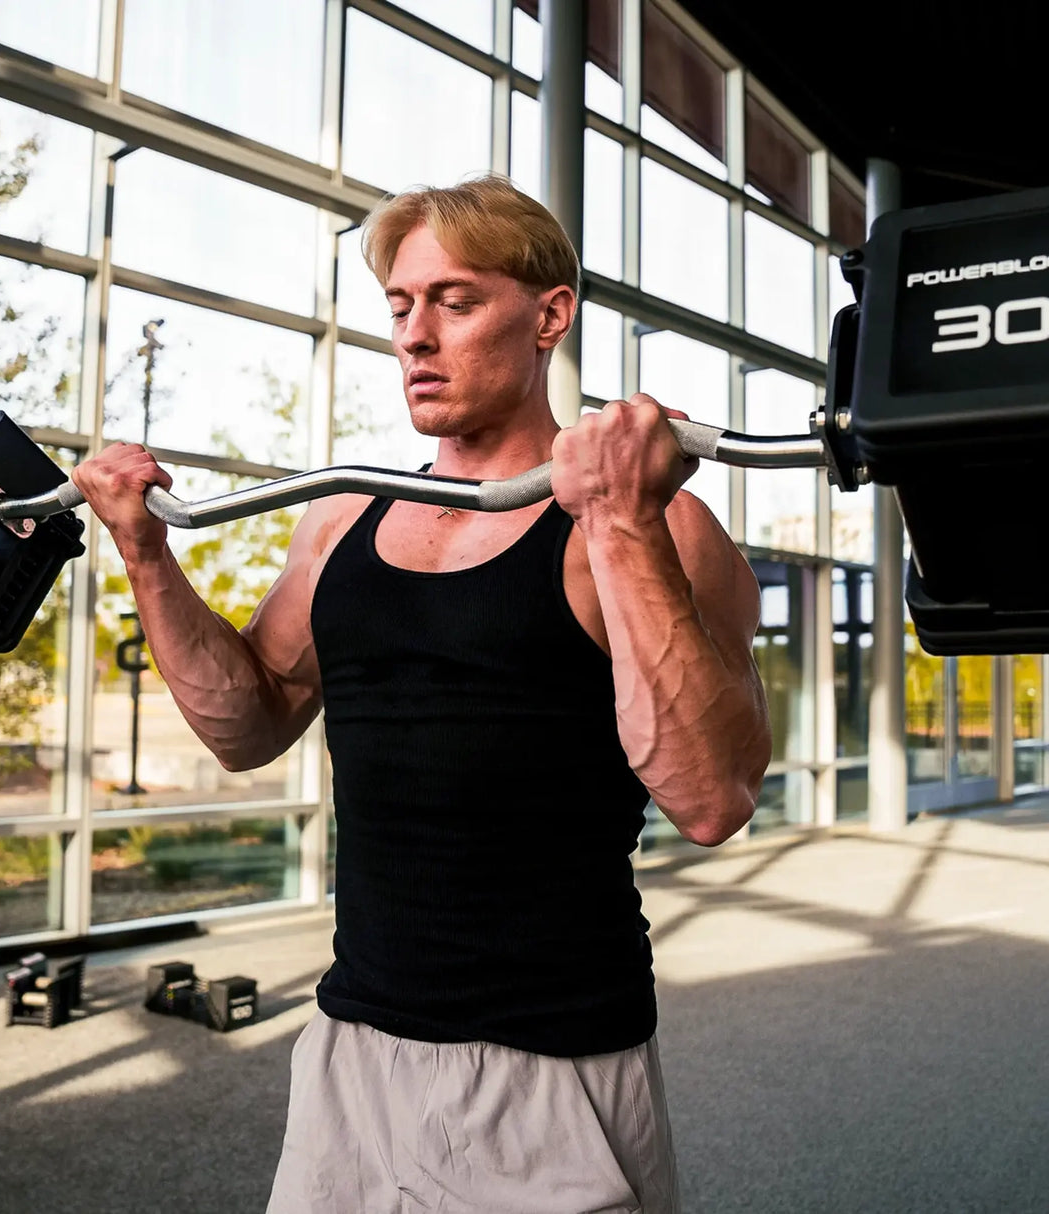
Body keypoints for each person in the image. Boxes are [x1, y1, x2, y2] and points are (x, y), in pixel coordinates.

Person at [73, 173, 772, 1213]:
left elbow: (710, 797)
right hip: (354, 1044)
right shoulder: (343, 516)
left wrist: (619, 523)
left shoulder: (657, 526)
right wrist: (145, 558)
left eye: (453, 300)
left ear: (548, 314)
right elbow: (246, 722)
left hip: (554, 1060)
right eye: (400, 306)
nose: (414, 335)